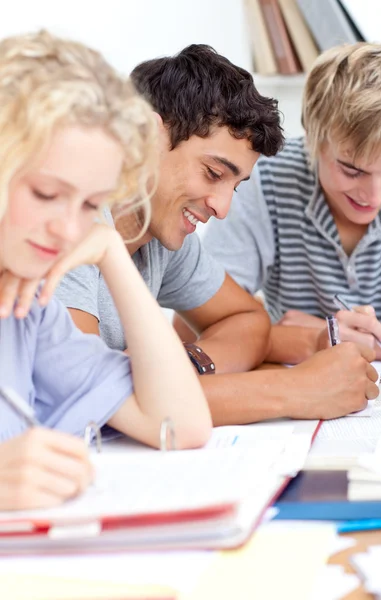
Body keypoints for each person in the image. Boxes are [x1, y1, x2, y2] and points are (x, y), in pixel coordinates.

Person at [57, 44, 378, 426]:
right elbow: (87, 390)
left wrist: (187, 366)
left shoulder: (162, 240)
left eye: (236, 186)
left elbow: (248, 320)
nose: (222, 208)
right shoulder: (68, 218)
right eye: (213, 173)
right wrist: (294, 390)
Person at [0, 30, 212, 511]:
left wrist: (110, 251)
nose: (67, 229)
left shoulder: (26, 307)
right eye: (46, 194)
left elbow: (180, 425)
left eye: (90, 204)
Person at [199, 42, 381, 365]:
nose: (374, 195)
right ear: (313, 141)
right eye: (352, 169)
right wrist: (315, 339)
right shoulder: (264, 178)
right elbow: (196, 323)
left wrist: (335, 338)